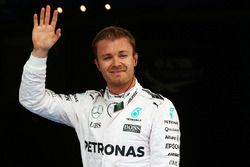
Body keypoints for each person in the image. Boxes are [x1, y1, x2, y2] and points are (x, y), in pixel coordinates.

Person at [19, 5, 181, 167]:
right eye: (107, 57)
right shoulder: (84, 104)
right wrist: (39, 53)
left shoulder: (159, 108)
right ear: (97, 64)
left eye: (123, 55)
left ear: (135, 59)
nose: (116, 63)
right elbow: (32, 99)